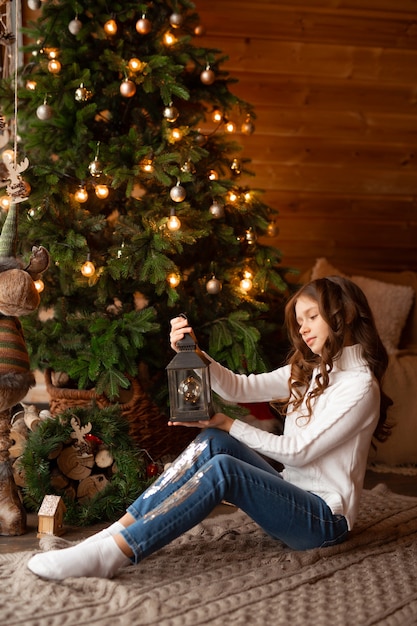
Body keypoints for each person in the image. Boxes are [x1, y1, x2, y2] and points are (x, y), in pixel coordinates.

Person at [27, 276, 392, 580]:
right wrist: (196, 354)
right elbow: (240, 387)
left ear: (344, 313)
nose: (303, 328)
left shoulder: (360, 386)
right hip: (290, 496)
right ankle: (116, 531)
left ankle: (113, 555)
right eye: (300, 320)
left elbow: (299, 451)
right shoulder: (311, 370)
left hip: (322, 522)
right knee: (215, 440)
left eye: (312, 316)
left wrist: (229, 421)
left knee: (225, 467)